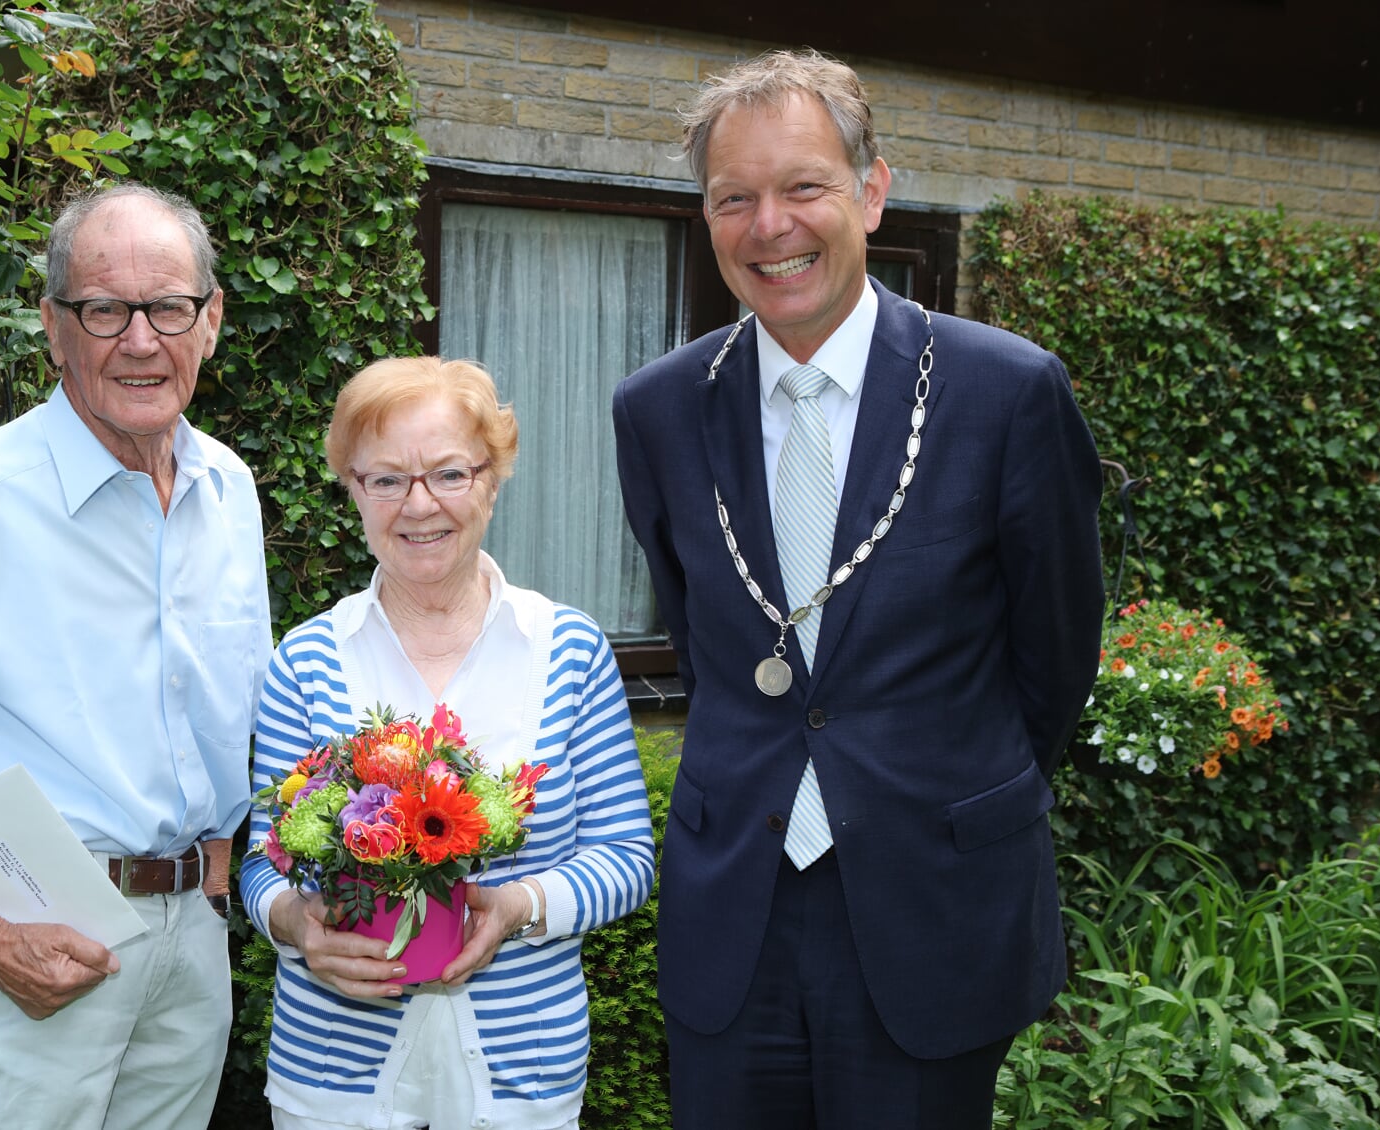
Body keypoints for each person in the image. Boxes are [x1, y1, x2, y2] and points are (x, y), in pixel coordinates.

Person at [611, 49, 1104, 1129]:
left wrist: (936, 781)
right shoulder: (658, 409)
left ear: (871, 194)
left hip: (931, 905)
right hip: (734, 900)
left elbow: (1056, 659)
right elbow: (704, 641)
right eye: (734, 197)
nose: (768, 225)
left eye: (803, 187)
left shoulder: (1007, 391)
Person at [0, 182, 270, 1130]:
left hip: (191, 940)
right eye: (104, 309)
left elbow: (225, 708)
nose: (140, 341)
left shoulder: (229, 489)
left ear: (212, 319)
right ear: (53, 326)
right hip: (31, 939)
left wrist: (222, 852)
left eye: (169, 308)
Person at [239, 356, 655, 1130]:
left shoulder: (565, 647)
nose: (418, 504)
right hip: (334, 1071)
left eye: (449, 474)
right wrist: (299, 927)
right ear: (353, 492)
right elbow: (264, 862)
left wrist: (517, 905)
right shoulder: (303, 659)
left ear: (493, 482)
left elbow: (627, 857)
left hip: (522, 1071)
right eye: (385, 479)